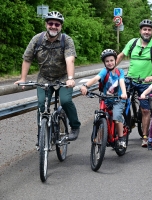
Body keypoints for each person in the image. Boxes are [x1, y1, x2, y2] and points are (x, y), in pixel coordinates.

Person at [14, 11, 81, 145]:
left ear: (61, 26)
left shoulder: (66, 40)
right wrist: (22, 79)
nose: (53, 26)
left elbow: (70, 60)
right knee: (41, 106)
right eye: (51, 23)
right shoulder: (37, 39)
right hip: (44, 79)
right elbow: (27, 59)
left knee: (66, 101)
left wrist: (71, 78)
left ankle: (75, 126)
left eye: (57, 24)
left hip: (62, 78)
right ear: (46, 24)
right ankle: (42, 136)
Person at [116, 19, 152, 147]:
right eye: (144, 29)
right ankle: (123, 131)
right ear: (140, 31)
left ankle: (145, 137)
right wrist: (111, 69)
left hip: (146, 82)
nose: (147, 32)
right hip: (130, 79)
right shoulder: (132, 43)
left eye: (149, 30)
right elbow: (121, 55)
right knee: (122, 105)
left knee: (145, 110)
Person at [80, 49, 127, 148]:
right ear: (104, 63)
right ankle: (101, 135)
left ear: (115, 60)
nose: (109, 63)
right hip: (106, 98)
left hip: (118, 99)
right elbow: (95, 79)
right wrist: (85, 86)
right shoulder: (104, 71)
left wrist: (124, 93)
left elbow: (122, 82)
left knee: (117, 116)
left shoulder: (120, 72)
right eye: (107, 61)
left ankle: (121, 138)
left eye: (111, 60)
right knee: (101, 115)